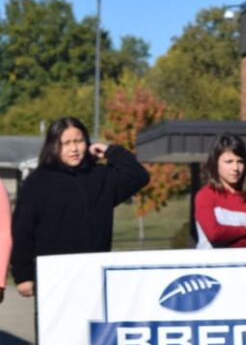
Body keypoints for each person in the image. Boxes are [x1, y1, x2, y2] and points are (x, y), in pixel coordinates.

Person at [11, 117, 150, 297]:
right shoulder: (36, 183)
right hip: (52, 278)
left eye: (79, 141)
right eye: (66, 143)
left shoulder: (101, 177)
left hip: (94, 275)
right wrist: (23, 275)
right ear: (53, 146)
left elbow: (138, 175)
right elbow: (22, 231)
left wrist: (110, 151)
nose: (74, 149)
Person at [194, 134, 246, 249]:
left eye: (240, 161)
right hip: (211, 266)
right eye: (229, 161)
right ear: (215, 163)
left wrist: (225, 241)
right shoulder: (205, 196)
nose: (235, 168)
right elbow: (214, 234)